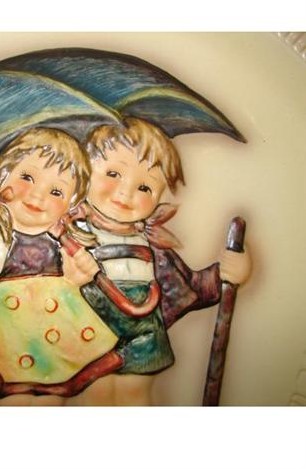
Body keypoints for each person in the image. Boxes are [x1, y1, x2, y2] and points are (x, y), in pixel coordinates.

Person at [63, 117, 252, 405]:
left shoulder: (151, 247)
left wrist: (228, 273)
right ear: (85, 171)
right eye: (113, 173)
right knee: (95, 394)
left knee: (134, 395)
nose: (125, 192)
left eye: (145, 188)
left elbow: (191, 287)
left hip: (143, 335)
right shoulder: (70, 235)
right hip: (90, 330)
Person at [0, 127, 122, 401]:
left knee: (54, 397)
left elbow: (67, 298)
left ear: (70, 206)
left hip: (52, 348)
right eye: (27, 177)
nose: (37, 196)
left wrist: (75, 280)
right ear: (2, 176)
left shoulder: (59, 245)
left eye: (56, 191)